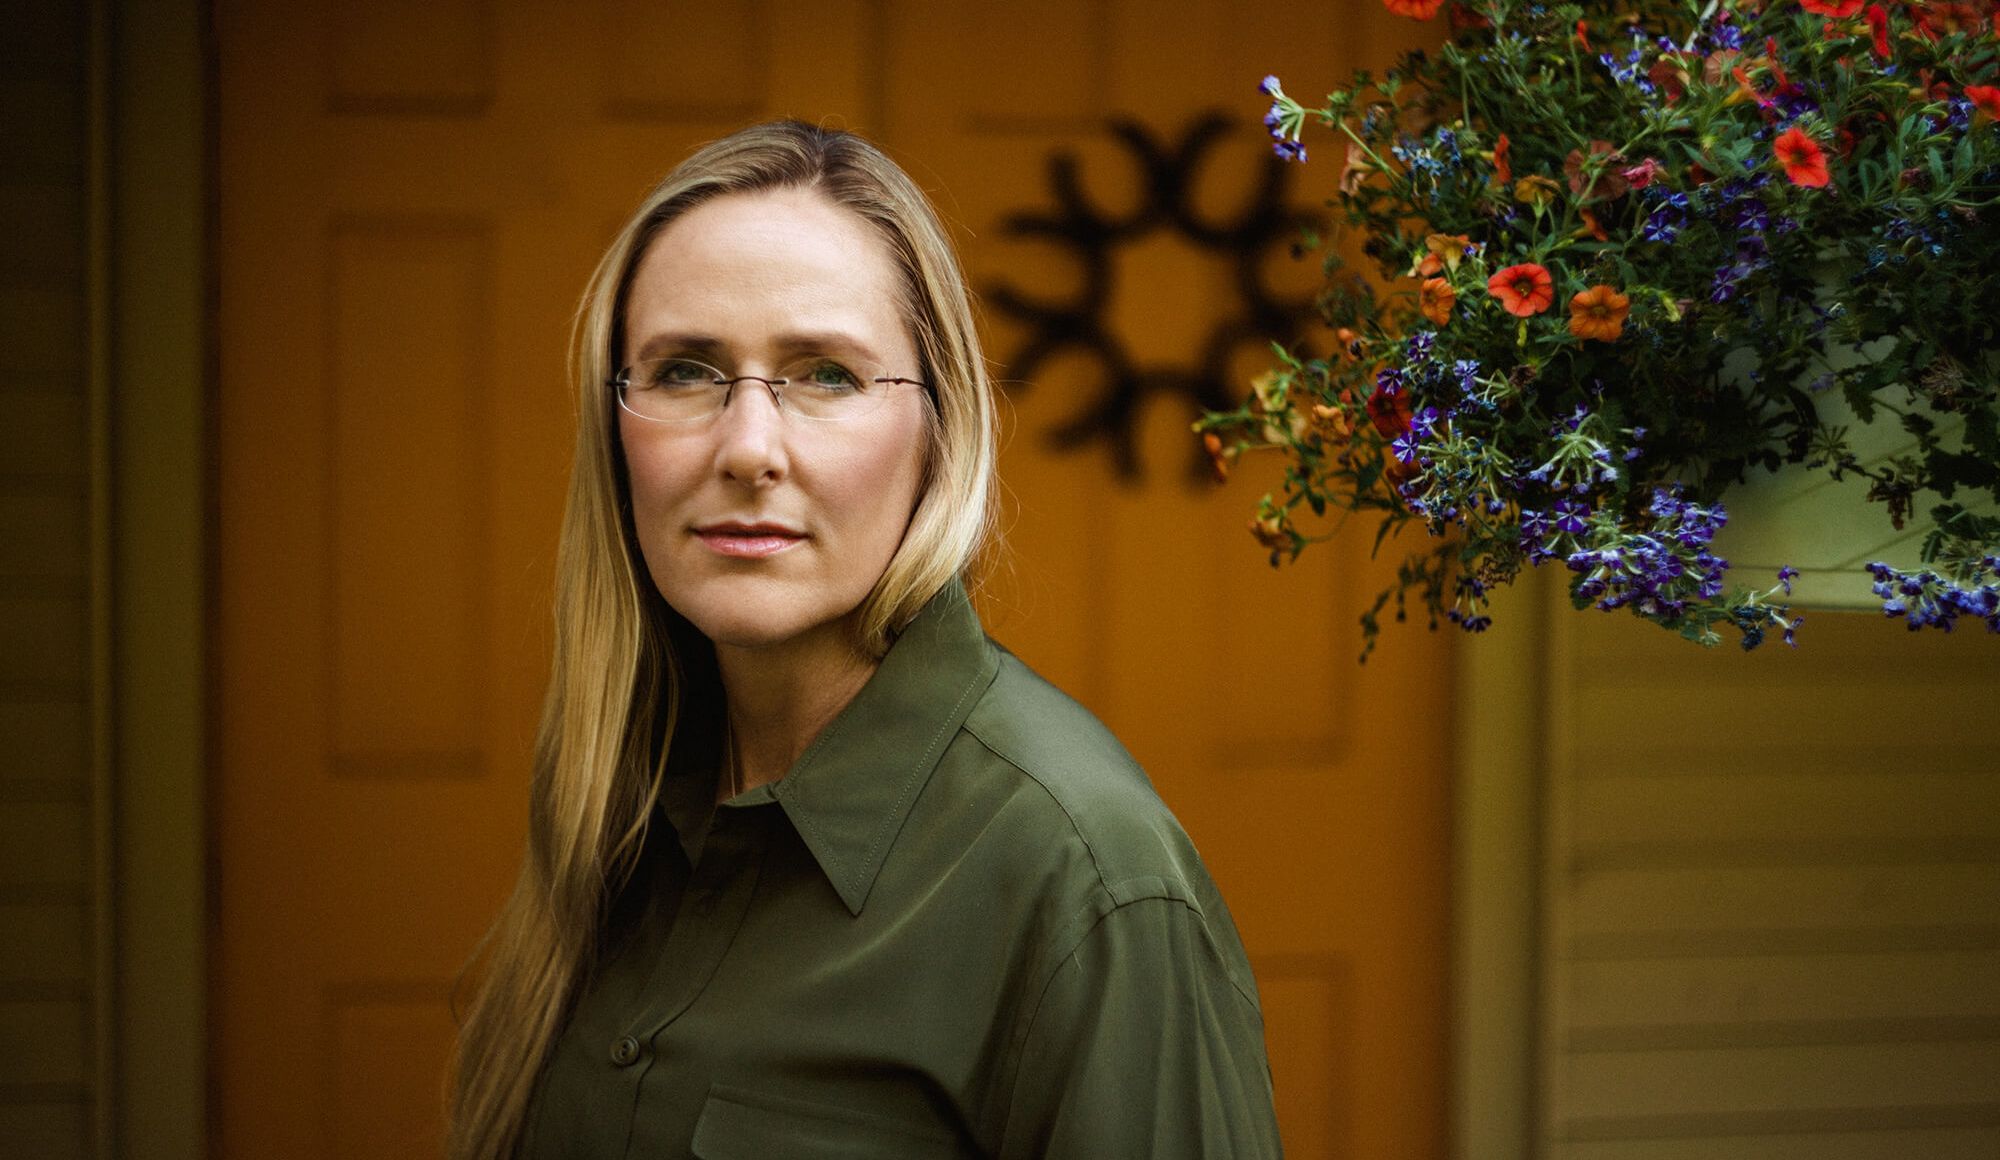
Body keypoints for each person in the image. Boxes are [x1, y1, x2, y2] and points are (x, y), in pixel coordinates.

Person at [449, 120, 1281, 1159]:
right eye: (685, 370)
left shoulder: (1085, 877)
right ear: (615, 426)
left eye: (826, 374)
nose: (748, 445)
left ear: (939, 426)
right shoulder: (625, 804)